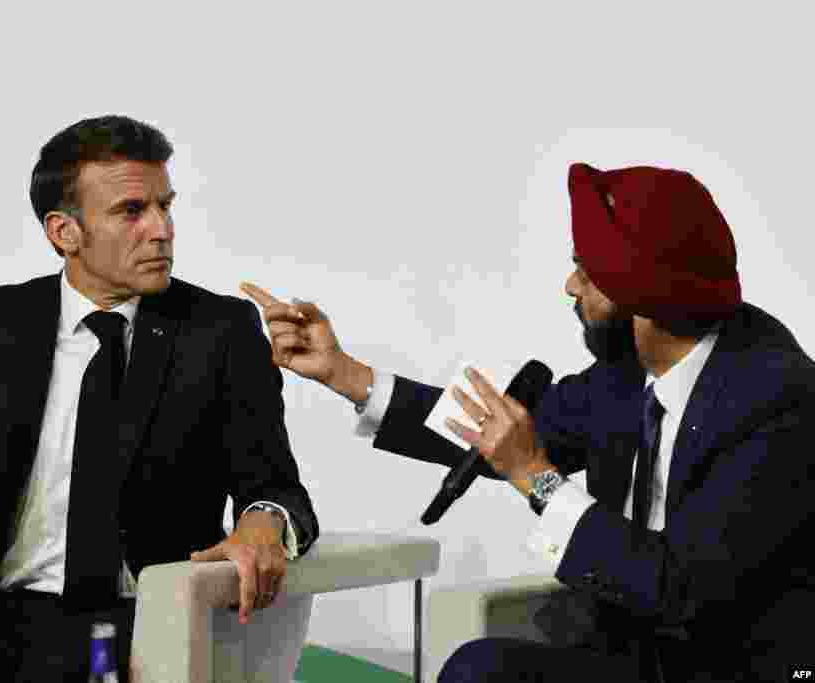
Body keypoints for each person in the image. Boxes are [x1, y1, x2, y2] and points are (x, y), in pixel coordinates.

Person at [242, 162, 815, 682]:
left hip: (736, 665)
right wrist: (344, 373)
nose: (570, 287)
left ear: (639, 288)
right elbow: (502, 433)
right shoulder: (624, 375)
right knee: (479, 670)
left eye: (585, 271)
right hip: (641, 659)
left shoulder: (776, 401)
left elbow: (685, 592)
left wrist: (538, 478)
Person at [0, 115, 318, 683]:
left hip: (121, 616)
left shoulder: (218, 331)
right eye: (132, 211)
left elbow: (275, 487)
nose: (162, 229)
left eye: (166, 206)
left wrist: (263, 522)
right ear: (64, 232)